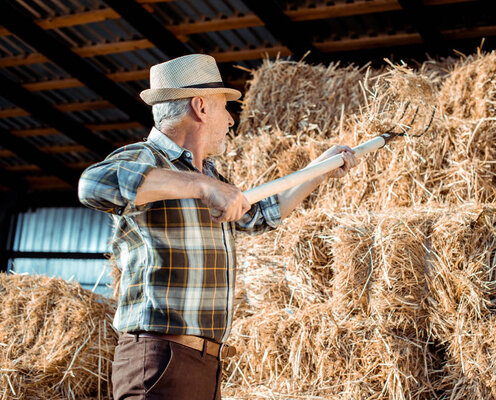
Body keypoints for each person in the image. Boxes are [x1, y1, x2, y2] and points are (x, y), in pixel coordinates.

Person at [78, 54, 358, 400]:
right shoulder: (147, 158)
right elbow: (93, 185)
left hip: (205, 364)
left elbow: (261, 214)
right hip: (159, 359)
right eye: (225, 107)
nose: (230, 120)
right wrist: (200, 187)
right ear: (200, 107)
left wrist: (320, 169)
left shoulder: (212, 177)